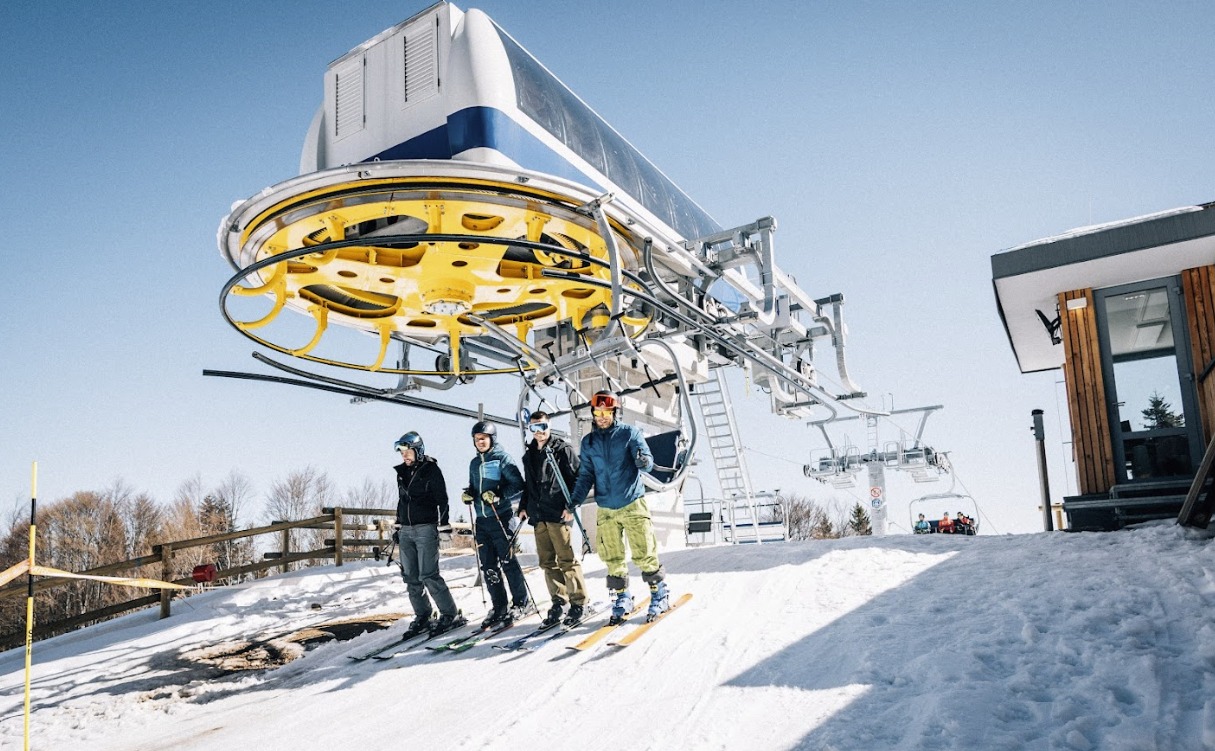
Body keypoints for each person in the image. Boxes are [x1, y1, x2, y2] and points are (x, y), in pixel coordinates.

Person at [569, 390, 669, 624]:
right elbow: (585, 475)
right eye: (597, 412)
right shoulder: (589, 442)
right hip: (606, 508)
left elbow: (647, 460)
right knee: (612, 556)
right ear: (593, 414)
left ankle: (659, 594)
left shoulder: (628, 433)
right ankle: (623, 597)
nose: (602, 416)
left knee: (644, 552)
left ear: (614, 412)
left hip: (632, 502)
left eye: (606, 412)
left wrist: (643, 461)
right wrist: (575, 499)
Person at [520, 410, 589, 628]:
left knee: (566, 559)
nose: (539, 432)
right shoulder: (529, 454)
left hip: (558, 513)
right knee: (547, 562)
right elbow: (529, 485)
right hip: (539, 514)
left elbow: (579, 478)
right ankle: (560, 600)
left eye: (542, 427)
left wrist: (572, 505)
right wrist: (524, 506)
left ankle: (579, 601)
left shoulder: (562, 450)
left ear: (549, 426)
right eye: (534, 428)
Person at [392, 431, 465, 637]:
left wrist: (443, 527)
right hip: (406, 530)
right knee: (411, 577)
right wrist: (398, 526)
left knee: (428, 575)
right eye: (402, 452)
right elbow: (401, 501)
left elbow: (442, 499)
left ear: (418, 450)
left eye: (408, 451)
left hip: (426, 528)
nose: (404, 456)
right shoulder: (401, 472)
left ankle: (450, 614)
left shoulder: (431, 469)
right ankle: (423, 615)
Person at [464, 420, 531, 629]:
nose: (480, 442)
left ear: (492, 439)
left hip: (501, 517)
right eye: (477, 440)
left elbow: (518, 486)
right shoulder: (474, 464)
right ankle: (499, 605)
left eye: (483, 438)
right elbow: (475, 487)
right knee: (489, 566)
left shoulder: (502, 458)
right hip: (482, 520)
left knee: (508, 562)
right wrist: (469, 493)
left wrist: (499, 495)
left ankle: (521, 602)